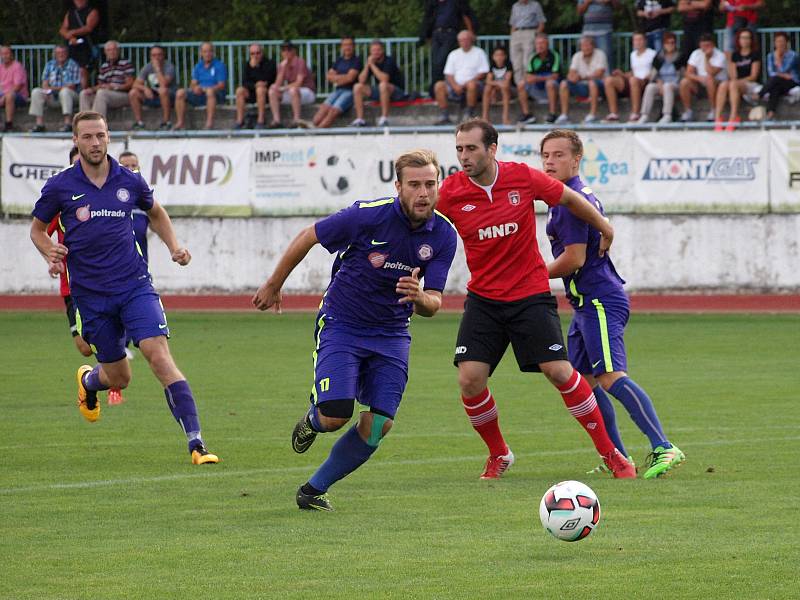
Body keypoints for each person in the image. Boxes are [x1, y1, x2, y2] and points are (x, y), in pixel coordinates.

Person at [252, 149, 457, 511]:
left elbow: (435, 305)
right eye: (414, 185)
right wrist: (274, 284)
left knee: (379, 424)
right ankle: (312, 421)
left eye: (430, 184)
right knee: (335, 415)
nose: (424, 193)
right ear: (398, 187)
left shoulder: (443, 234)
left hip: (392, 333)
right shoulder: (368, 216)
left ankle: (313, 490)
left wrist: (420, 297)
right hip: (343, 323)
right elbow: (309, 236)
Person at [436, 119, 636, 480]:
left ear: (492, 149)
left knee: (559, 371)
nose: (464, 157)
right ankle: (499, 454)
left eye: (472, 149)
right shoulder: (450, 192)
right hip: (484, 299)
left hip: (529, 295)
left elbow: (571, 198)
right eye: (459, 149)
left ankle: (612, 453)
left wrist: (605, 226)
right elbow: (419, 220)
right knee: (469, 379)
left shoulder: (522, 178)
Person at [29, 110, 220, 465]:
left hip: (135, 286)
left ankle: (197, 443)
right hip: (91, 296)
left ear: (108, 137)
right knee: (120, 377)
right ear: (75, 141)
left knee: (159, 356)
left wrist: (174, 246)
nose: (95, 142)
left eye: (100, 135)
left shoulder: (129, 180)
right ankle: (89, 384)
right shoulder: (60, 187)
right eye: (87, 137)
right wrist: (48, 250)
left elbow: (157, 212)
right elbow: (37, 230)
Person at [541, 128, 685, 479]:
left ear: (576, 159)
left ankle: (663, 446)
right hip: (585, 303)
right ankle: (617, 457)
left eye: (559, 155)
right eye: (545, 155)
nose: (550, 162)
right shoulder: (570, 197)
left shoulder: (569, 203)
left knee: (609, 376)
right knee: (585, 381)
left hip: (599, 300)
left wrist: (530, 274)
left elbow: (574, 259)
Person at [46, 145, 126, 406]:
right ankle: (95, 377)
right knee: (83, 347)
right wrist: (51, 257)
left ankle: (111, 379)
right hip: (73, 286)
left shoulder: (108, 199)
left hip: (112, 283)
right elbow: (40, 232)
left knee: (117, 336)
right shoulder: (62, 199)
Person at [419, 0, 477, 96]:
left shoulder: (455, 3)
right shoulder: (434, 4)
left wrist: (471, 31)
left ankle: (441, 90)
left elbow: (465, 15)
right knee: (435, 63)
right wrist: (427, 36)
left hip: (450, 33)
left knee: (441, 61)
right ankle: (436, 91)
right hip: (436, 34)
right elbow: (428, 20)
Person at [434, 29, 489, 125]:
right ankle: (444, 115)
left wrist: (468, 82)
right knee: (439, 85)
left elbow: (483, 72)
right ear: (458, 41)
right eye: (461, 40)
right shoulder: (453, 54)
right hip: (455, 86)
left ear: (471, 40)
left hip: (474, 85)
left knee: (471, 85)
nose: (464, 42)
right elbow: (448, 74)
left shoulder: (479, 52)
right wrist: (455, 85)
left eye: (466, 39)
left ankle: (469, 114)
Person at [351, 39, 407, 127]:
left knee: (383, 85)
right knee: (357, 87)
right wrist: (367, 65)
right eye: (373, 50)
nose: (376, 52)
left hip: (397, 92)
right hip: (382, 92)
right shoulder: (371, 62)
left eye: (378, 50)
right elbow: (361, 80)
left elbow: (384, 79)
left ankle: (384, 118)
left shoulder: (389, 60)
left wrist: (372, 65)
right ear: (370, 51)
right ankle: (360, 119)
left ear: (382, 50)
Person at [714, 28, 761, 131]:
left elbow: (753, 76)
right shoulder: (735, 55)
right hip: (736, 83)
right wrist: (729, 61)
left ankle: (733, 116)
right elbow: (733, 76)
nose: (745, 40)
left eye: (747, 38)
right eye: (742, 38)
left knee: (733, 85)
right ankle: (718, 118)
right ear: (738, 40)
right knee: (723, 85)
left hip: (750, 84)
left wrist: (737, 82)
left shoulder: (755, 54)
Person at [603, 30, 656, 122]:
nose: (637, 42)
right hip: (633, 80)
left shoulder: (652, 53)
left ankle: (635, 113)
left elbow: (654, 70)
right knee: (609, 80)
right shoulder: (633, 55)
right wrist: (622, 74)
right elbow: (634, 72)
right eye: (635, 40)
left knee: (633, 80)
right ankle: (614, 114)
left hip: (645, 81)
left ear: (645, 41)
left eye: (640, 40)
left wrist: (647, 76)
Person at [174, 42, 227, 130]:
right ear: (201, 53)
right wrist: (195, 88)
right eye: (205, 52)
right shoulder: (198, 66)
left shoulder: (220, 65)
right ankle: (180, 123)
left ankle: (209, 124)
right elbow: (193, 83)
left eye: (210, 51)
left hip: (216, 94)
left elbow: (221, 85)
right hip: (201, 94)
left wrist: (206, 89)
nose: (207, 54)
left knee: (210, 92)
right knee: (180, 93)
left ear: (213, 52)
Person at [312, 37, 362, 129]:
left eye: (349, 45)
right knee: (322, 110)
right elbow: (328, 76)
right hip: (337, 90)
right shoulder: (339, 60)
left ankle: (318, 132)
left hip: (350, 91)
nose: (347, 47)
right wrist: (343, 77)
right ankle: (312, 128)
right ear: (341, 47)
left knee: (333, 111)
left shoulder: (356, 60)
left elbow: (350, 78)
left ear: (354, 46)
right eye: (345, 45)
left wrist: (336, 78)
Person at [28, 45, 80, 133]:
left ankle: (68, 124)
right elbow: (44, 84)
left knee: (65, 92)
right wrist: (49, 90)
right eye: (58, 53)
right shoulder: (49, 64)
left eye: (63, 52)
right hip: (52, 95)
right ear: (55, 54)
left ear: (67, 54)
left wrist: (52, 88)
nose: (61, 55)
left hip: (70, 95)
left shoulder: (73, 64)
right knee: (36, 91)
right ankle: (39, 124)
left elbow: (72, 86)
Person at [556, 35, 608, 124]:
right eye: (583, 46)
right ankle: (564, 115)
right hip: (582, 86)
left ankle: (592, 115)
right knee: (564, 83)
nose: (586, 48)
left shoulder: (600, 54)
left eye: (588, 45)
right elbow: (571, 73)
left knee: (592, 83)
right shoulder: (577, 56)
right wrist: (573, 77)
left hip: (600, 86)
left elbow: (599, 73)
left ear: (593, 46)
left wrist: (581, 77)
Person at [78, 40, 134, 118]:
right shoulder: (104, 66)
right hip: (106, 94)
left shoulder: (125, 63)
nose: (112, 52)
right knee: (84, 94)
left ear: (118, 51)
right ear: (105, 52)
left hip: (122, 94)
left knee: (101, 93)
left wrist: (114, 87)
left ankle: (96, 124)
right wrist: (92, 89)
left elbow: (130, 84)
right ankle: (85, 122)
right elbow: (100, 85)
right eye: (109, 50)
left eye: (114, 49)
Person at [679, 33, 727, 122]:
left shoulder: (720, 55)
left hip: (717, 84)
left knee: (709, 80)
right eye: (703, 46)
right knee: (684, 82)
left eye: (707, 45)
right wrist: (699, 78)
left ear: (712, 45)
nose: (704, 48)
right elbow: (688, 73)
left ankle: (713, 109)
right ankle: (688, 111)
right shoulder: (696, 53)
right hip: (700, 83)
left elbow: (711, 72)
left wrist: (707, 58)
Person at [267, 41, 316, 129]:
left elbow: (298, 83)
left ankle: (296, 120)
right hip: (294, 94)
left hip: (308, 92)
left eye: (288, 50)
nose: (286, 52)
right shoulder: (282, 65)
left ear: (294, 51)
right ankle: (276, 120)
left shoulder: (300, 62)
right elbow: (277, 85)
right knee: (272, 91)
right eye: (283, 50)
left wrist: (283, 88)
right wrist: (281, 70)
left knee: (293, 89)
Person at [639, 31, 684, 123]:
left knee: (667, 86)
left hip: (675, 84)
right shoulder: (659, 57)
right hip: (661, 83)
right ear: (664, 44)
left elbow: (682, 75)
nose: (670, 45)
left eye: (672, 43)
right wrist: (658, 82)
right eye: (668, 43)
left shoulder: (680, 56)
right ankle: (645, 115)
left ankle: (667, 115)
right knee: (650, 87)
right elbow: (653, 74)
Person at [129, 45, 177, 131]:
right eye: (154, 55)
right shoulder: (147, 67)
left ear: (163, 55)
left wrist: (157, 69)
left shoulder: (169, 66)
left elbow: (164, 84)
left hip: (169, 96)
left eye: (159, 55)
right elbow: (135, 84)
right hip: (153, 95)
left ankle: (166, 122)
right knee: (133, 92)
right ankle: (139, 123)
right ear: (150, 56)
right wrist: (145, 88)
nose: (156, 57)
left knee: (162, 91)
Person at [517, 33, 561, 125]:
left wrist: (537, 78)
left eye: (542, 43)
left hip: (552, 90)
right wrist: (544, 77)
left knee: (550, 83)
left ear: (547, 44)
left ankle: (552, 114)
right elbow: (527, 77)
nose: (539, 46)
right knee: (521, 84)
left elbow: (555, 75)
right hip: (537, 89)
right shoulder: (533, 57)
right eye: (537, 43)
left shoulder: (554, 55)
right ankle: (527, 115)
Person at [757, 32, 799, 122]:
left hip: (792, 81)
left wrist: (778, 59)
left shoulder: (793, 55)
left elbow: (784, 69)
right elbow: (771, 72)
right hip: (778, 82)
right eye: (777, 41)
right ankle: (770, 113)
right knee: (776, 87)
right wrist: (782, 74)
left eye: (782, 41)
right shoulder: (770, 55)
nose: (780, 44)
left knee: (776, 79)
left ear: (787, 43)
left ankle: (759, 95)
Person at [59, 0, 101, 91]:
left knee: (83, 69)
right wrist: (68, 36)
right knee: (69, 69)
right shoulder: (71, 12)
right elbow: (63, 28)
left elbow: (88, 28)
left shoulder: (92, 11)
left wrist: (72, 33)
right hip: (71, 46)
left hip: (86, 47)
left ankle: (83, 92)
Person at [118, 151, 150, 263]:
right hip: (114, 267)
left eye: (133, 165)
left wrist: (174, 248)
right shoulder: (110, 196)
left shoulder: (145, 199)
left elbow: (158, 221)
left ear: (139, 168)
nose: (130, 169)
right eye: (126, 166)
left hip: (140, 267)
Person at [233, 44, 276, 129]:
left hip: (266, 94)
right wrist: (255, 85)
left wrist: (256, 68)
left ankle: (261, 120)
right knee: (239, 90)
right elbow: (244, 82)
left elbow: (268, 79)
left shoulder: (270, 63)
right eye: (252, 54)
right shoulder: (248, 64)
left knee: (260, 90)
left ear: (262, 53)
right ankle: (240, 121)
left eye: (257, 53)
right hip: (252, 91)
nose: (255, 56)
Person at [508, 0, 546, 87]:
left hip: (530, 31)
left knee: (527, 62)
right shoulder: (515, 6)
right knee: (516, 63)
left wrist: (535, 35)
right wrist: (512, 35)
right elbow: (513, 23)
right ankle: (519, 87)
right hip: (516, 33)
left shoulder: (535, 5)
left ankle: (528, 87)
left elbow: (541, 23)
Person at [577, 0, 619, 70]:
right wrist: (587, 2)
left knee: (606, 56)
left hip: (605, 31)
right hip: (588, 31)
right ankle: (586, 78)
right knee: (584, 56)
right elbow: (579, 11)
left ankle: (607, 78)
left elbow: (618, 7)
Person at [482, 46, 514, 125]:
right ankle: (485, 116)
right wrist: (498, 84)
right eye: (497, 55)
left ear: (505, 56)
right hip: (496, 90)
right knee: (487, 88)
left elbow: (507, 82)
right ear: (493, 57)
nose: (499, 57)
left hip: (509, 91)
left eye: (501, 55)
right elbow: (488, 81)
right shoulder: (492, 66)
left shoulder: (508, 66)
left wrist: (496, 84)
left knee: (504, 87)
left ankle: (505, 117)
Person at [0, 45, 28, 132]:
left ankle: (9, 125)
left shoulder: (17, 66)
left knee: (9, 96)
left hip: (19, 96)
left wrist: (4, 96)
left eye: (7, 53)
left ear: (12, 54)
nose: (5, 56)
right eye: (2, 54)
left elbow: (17, 87)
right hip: (3, 94)